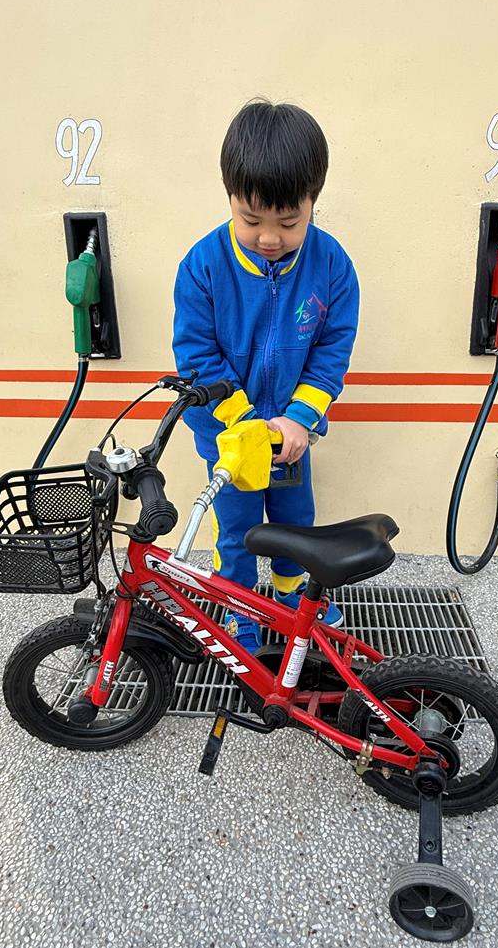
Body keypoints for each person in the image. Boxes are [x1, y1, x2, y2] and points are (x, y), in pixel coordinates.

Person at [172, 99, 359, 653]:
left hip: (293, 438)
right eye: (251, 220)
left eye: (289, 222)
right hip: (230, 438)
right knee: (235, 530)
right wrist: (247, 421)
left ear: (313, 202)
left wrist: (298, 418)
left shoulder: (332, 265)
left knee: (295, 523)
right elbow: (197, 356)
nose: (270, 237)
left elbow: (332, 351)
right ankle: (238, 609)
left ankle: (290, 596)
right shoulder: (202, 266)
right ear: (229, 195)